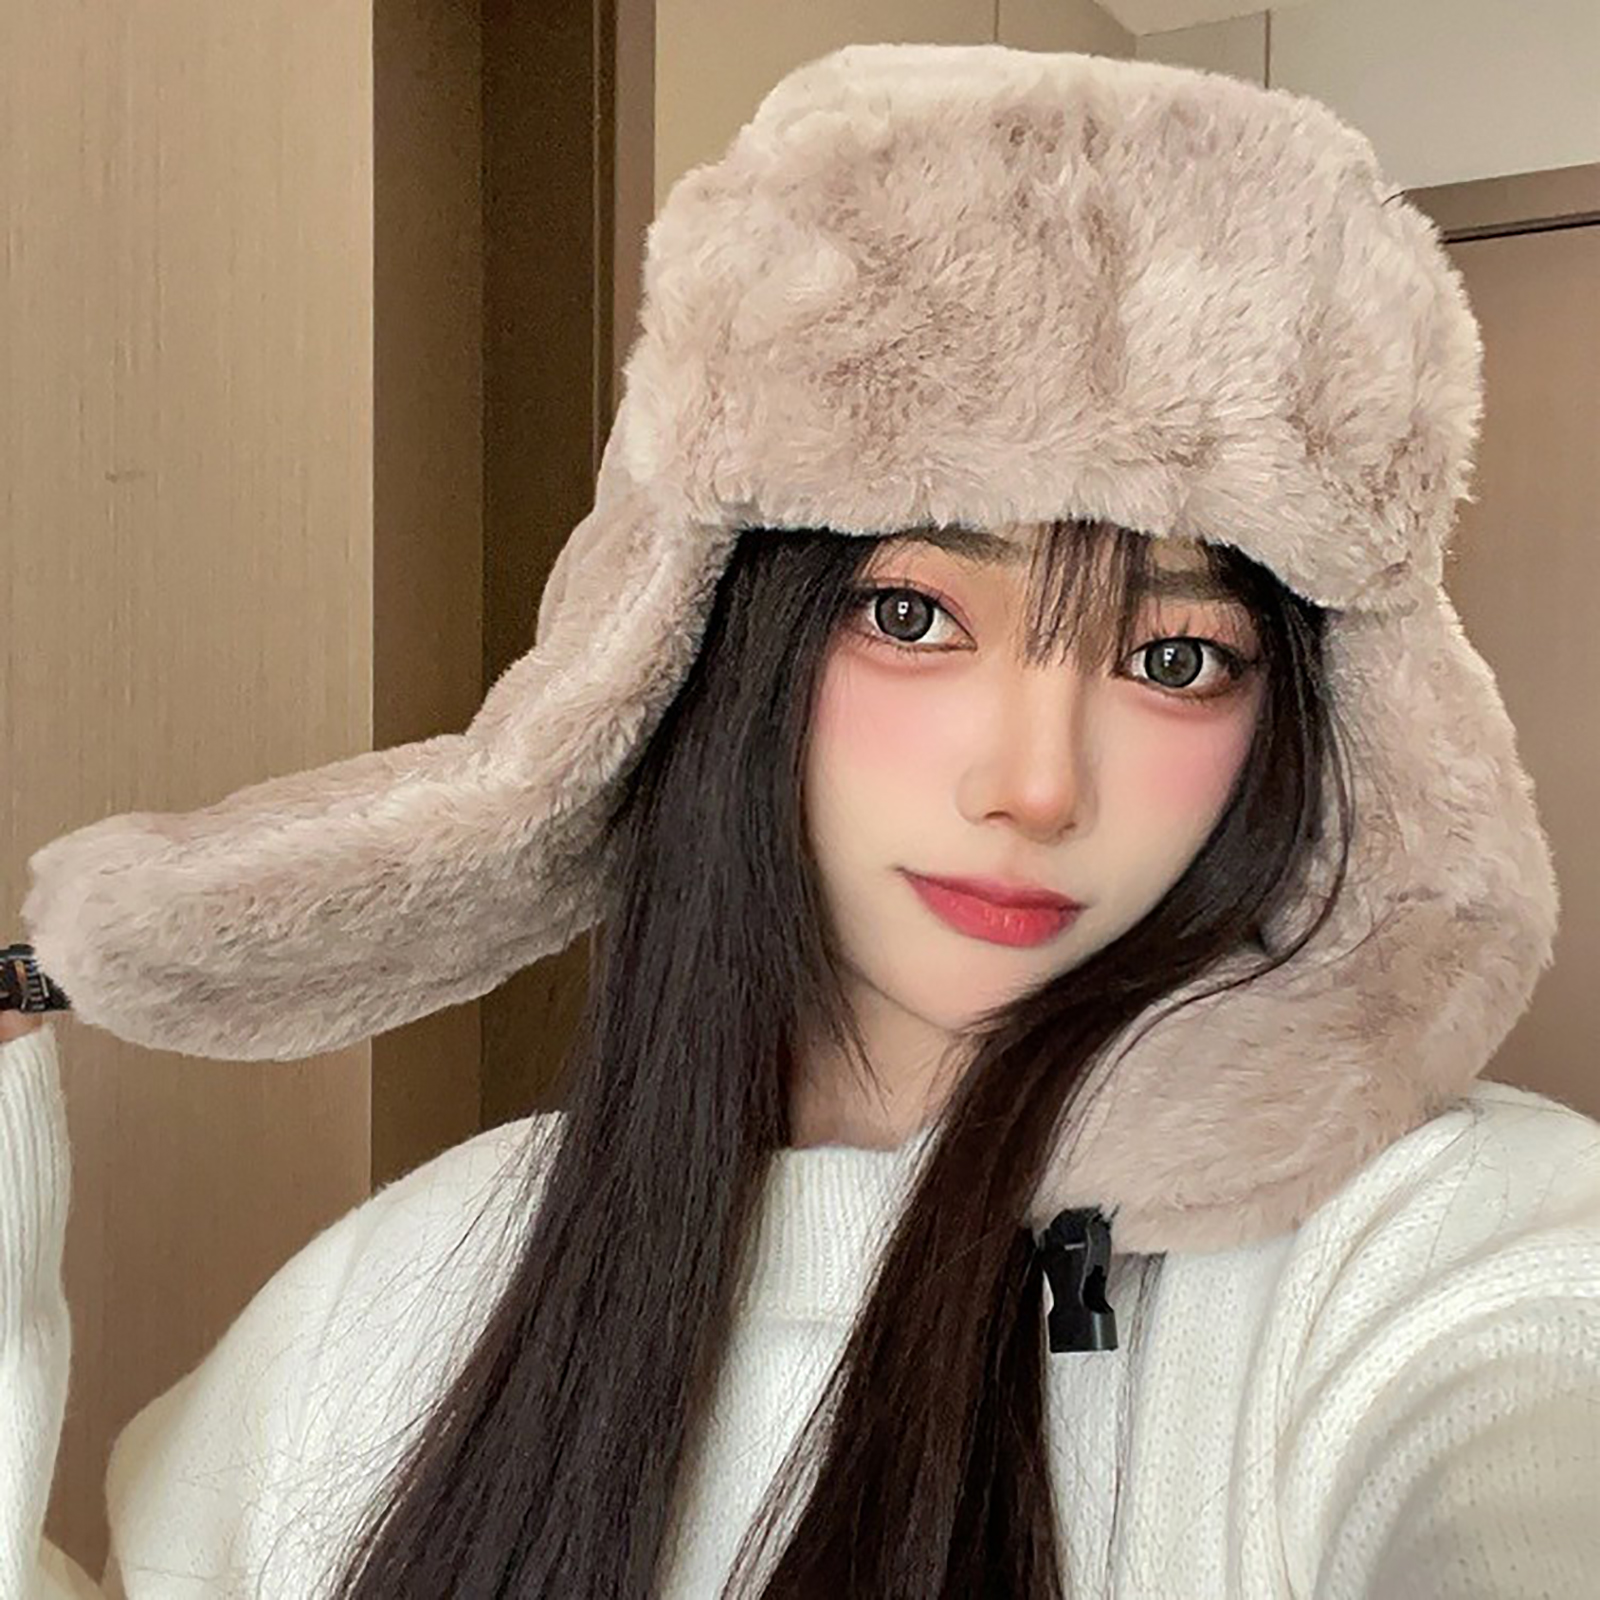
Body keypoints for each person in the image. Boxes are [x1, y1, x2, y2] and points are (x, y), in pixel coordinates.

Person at [5, 41, 1599, 1600]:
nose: (1036, 787)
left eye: (1173, 659)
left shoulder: (1429, 1249)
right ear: (713, 643)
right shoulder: (408, 1290)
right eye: (912, 615)